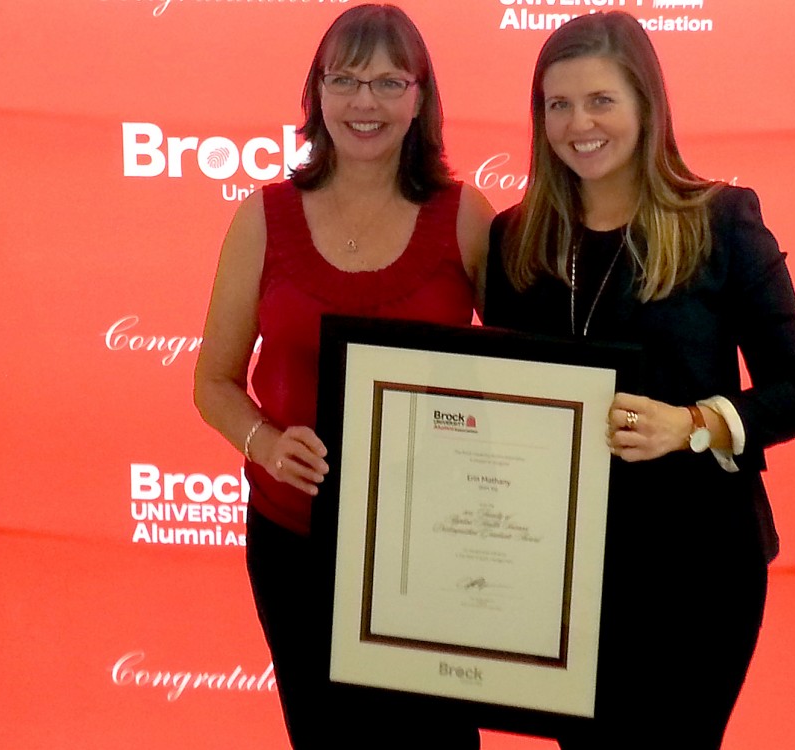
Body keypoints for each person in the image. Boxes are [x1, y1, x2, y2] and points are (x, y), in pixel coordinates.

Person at [483, 11, 795, 749]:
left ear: (646, 103)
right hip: (562, 574)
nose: (580, 124)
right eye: (558, 104)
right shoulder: (514, 238)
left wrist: (694, 424)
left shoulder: (723, 221)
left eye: (601, 100)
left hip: (697, 571)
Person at [193, 5, 492, 748]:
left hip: (433, 547)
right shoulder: (262, 217)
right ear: (316, 93)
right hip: (294, 540)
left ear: (422, 98)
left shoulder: (465, 215)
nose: (366, 103)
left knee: (438, 743)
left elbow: (529, 378)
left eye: (391, 82)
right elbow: (213, 382)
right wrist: (262, 442)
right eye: (347, 80)